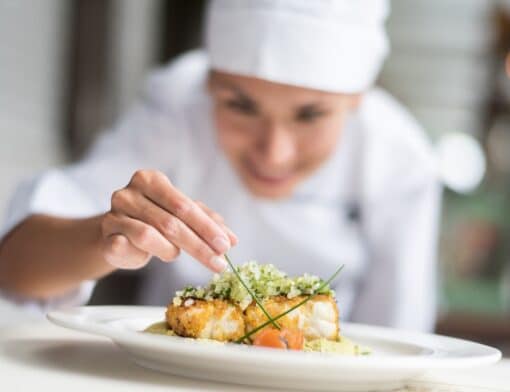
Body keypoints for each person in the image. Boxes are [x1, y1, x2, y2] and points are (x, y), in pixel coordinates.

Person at [0, 0, 440, 331]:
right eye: (240, 106)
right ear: (209, 84)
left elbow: (399, 333)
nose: (274, 153)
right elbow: (15, 264)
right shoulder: (177, 106)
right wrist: (105, 237)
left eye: (310, 115)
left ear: (357, 99)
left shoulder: (399, 157)